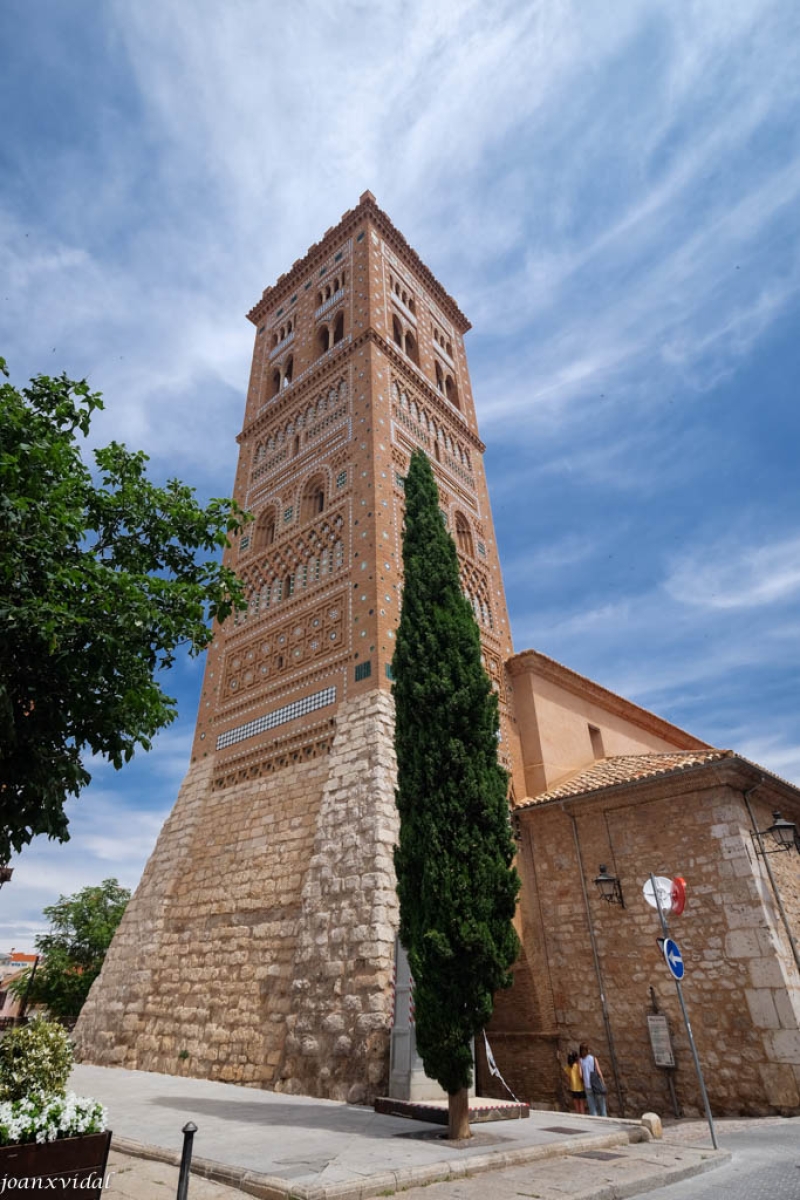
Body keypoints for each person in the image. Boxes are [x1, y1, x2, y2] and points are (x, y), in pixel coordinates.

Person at [579, 1042, 607, 1116]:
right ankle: (604, 1121)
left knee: (592, 1108)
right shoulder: (594, 1059)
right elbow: (598, 1071)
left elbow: (580, 1075)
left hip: (588, 1086)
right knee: (602, 1107)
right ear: (588, 1050)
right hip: (597, 1085)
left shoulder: (581, 1060)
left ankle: (594, 1125)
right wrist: (603, 1082)